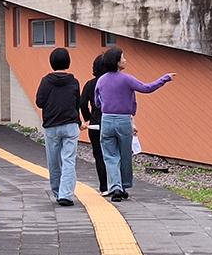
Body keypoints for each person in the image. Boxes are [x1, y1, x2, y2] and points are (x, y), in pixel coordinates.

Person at [94, 46, 174, 202]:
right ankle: (123, 186)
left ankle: (115, 187)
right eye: (123, 58)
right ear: (117, 62)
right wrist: (165, 78)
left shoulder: (101, 80)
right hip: (124, 120)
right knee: (125, 154)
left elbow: (97, 102)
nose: (125, 60)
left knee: (110, 156)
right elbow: (147, 88)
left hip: (107, 120)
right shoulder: (127, 79)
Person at [35, 47, 82, 206]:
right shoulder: (74, 81)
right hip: (70, 124)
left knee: (54, 161)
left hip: (52, 126)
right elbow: (77, 103)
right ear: (68, 62)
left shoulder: (46, 81)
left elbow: (39, 102)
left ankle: (57, 192)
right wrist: (79, 121)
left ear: (52, 62)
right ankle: (66, 194)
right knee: (68, 160)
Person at [79, 54, 109, 194]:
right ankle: (116, 185)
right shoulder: (112, 82)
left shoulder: (90, 84)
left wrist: (88, 118)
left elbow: (82, 103)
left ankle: (104, 187)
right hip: (111, 121)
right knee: (113, 154)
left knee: (99, 155)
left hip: (96, 123)